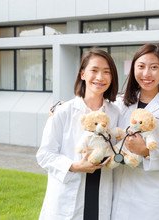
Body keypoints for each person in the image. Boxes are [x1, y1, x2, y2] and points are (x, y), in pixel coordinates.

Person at [36, 48, 119, 220]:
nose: (100, 77)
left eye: (106, 72)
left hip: (100, 192)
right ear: (82, 74)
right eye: (94, 70)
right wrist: (74, 166)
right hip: (67, 196)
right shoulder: (63, 111)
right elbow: (44, 155)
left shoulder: (116, 112)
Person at [111, 43, 159, 220]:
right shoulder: (121, 103)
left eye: (154, 67)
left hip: (152, 190)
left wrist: (146, 151)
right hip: (121, 185)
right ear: (133, 68)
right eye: (141, 66)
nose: (146, 74)